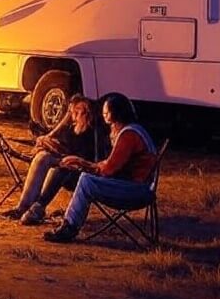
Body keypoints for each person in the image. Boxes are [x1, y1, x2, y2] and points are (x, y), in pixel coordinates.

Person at [43, 92, 157, 243]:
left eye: (106, 111)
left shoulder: (128, 135)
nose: (103, 114)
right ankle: (68, 223)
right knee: (86, 178)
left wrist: (82, 163)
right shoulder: (134, 129)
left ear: (115, 114)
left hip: (136, 191)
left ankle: (69, 227)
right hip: (140, 187)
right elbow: (112, 164)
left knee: (86, 181)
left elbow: (108, 169)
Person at [4, 94, 99, 225]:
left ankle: (35, 207)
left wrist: (66, 157)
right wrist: (49, 144)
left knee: (48, 162)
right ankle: (24, 207)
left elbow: (88, 158)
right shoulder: (73, 129)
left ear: (87, 112)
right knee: (42, 156)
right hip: (67, 162)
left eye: (78, 112)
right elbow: (66, 149)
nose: (74, 116)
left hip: (80, 169)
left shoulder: (93, 133)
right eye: (73, 112)